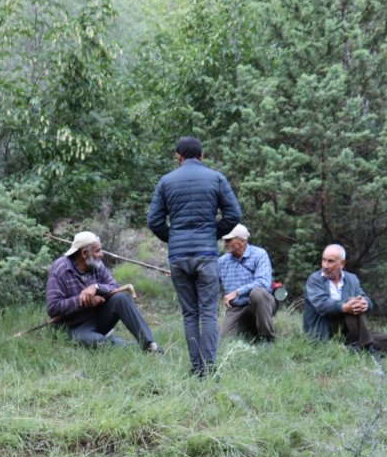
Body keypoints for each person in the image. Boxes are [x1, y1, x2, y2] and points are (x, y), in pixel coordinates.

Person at [147, 136, 241, 378]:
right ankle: (209, 368)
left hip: (178, 256)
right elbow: (233, 214)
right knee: (208, 312)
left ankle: (196, 367)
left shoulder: (166, 181)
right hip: (206, 255)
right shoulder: (216, 178)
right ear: (202, 155)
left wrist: (174, 238)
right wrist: (213, 233)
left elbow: (154, 220)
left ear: (178, 157)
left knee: (190, 313)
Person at [46, 231, 161, 352]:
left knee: (121, 297)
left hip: (97, 318)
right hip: (73, 326)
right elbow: (53, 308)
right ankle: (131, 348)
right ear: (85, 253)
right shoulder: (60, 269)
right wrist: (84, 300)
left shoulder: (97, 264)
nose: (101, 254)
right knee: (97, 342)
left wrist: (96, 287)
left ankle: (149, 345)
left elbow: (114, 287)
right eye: (97, 250)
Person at [303, 244, 387, 355]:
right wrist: (345, 307)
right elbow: (322, 306)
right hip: (324, 331)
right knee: (351, 303)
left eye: (331, 261)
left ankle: (350, 349)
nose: (325, 265)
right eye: (324, 260)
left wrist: (365, 304)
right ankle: (365, 348)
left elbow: (364, 298)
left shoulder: (352, 279)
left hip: (349, 331)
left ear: (342, 264)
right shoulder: (315, 280)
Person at [218, 224, 277, 343]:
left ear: (242, 241)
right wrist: (182, 273)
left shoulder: (260, 254)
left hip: (261, 302)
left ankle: (266, 339)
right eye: (225, 240)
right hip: (237, 308)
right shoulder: (222, 261)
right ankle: (252, 330)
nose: (225, 243)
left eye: (229, 240)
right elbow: (206, 279)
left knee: (258, 293)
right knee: (224, 340)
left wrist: (237, 292)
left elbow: (263, 282)